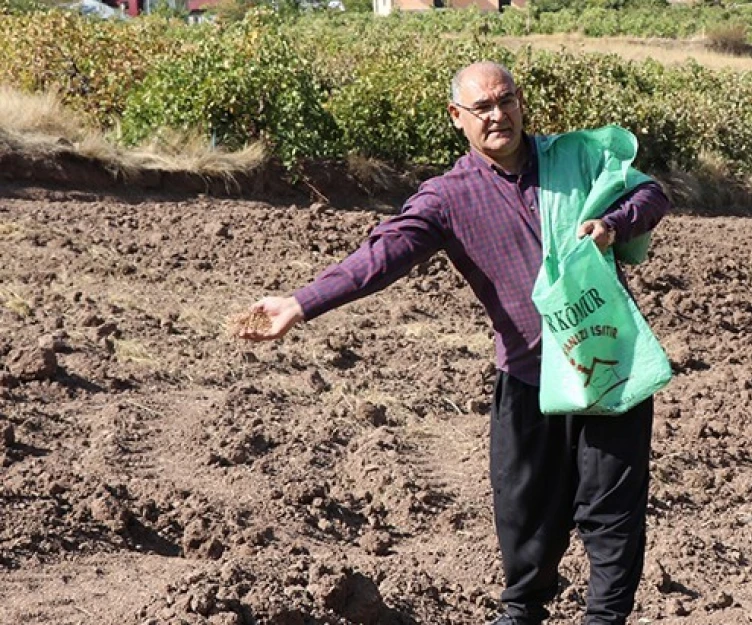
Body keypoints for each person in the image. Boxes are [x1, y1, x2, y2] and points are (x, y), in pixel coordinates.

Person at [239, 61, 671, 625]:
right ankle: (520, 614)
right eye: (483, 108)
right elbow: (382, 256)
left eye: (507, 101)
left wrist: (614, 223)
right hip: (527, 377)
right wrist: (301, 303)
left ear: (520, 102)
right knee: (523, 518)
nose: (499, 115)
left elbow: (650, 194)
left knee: (612, 515)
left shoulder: (577, 159)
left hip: (607, 365)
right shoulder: (449, 197)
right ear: (457, 118)